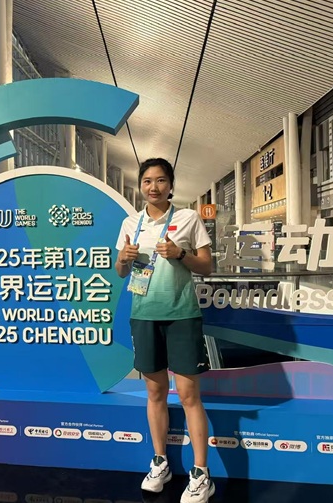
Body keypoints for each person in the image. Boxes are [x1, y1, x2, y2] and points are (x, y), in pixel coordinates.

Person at [115, 158, 214, 502]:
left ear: (171, 185)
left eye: (160, 180)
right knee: (155, 393)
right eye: (147, 181)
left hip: (182, 316)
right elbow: (120, 272)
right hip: (144, 316)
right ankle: (160, 463)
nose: (153, 187)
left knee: (188, 396)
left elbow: (207, 266)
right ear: (140, 185)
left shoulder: (188, 218)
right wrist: (124, 258)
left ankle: (201, 474)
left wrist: (179, 253)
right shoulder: (131, 222)